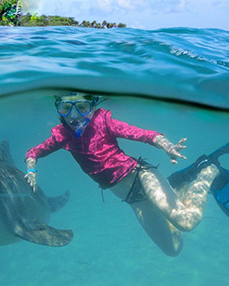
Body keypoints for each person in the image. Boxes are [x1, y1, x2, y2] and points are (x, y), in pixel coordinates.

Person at [24, 92, 228, 256]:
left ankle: (208, 171)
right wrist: (31, 171)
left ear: (92, 107)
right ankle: (177, 185)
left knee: (186, 222)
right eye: (67, 109)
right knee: (174, 249)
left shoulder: (103, 122)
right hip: (132, 199)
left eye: (82, 108)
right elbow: (33, 153)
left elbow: (142, 134)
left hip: (142, 176)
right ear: (59, 111)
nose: (75, 116)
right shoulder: (61, 136)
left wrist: (167, 146)